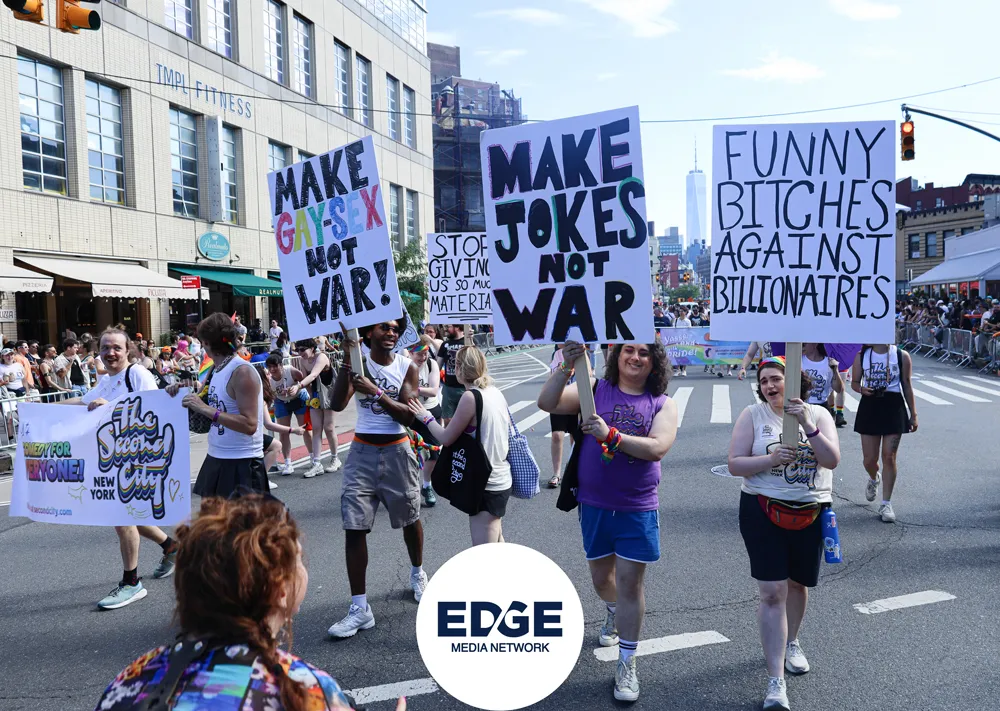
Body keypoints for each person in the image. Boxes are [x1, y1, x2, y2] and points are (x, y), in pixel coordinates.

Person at [94, 495, 408, 711]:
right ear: (280, 591)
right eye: (299, 560)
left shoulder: (131, 680)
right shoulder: (307, 690)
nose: (304, 568)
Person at [537, 340, 678, 703]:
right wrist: (567, 365)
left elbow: (657, 447)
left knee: (630, 584)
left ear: (655, 363)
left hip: (637, 505)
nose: (635, 357)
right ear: (617, 355)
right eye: (629, 350)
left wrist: (610, 435)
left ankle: (627, 662)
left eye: (644, 353)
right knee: (602, 580)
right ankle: (614, 611)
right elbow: (547, 403)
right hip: (594, 503)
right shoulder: (595, 389)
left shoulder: (662, 403)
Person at [727, 356, 840, 711]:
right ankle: (775, 682)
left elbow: (832, 460)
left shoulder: (819, 413)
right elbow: (734, 464)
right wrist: (770, 460)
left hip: (809, 511)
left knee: (797, 585)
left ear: (794, 381)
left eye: (776, 378)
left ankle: (792, 642)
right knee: (772, 592)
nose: (769, 386)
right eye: (763, 381)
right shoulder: (752, 415)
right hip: (762, 509)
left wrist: (807, 424)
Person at [63, 327, 178, 609]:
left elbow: (153, 409)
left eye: (116, 347)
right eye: (105, 348)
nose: (110, 353)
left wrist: (111, 406)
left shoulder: (136, 373)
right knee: (129, 516)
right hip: (113, 458)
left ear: (128, 350)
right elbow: (82, 401)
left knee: (122, 518)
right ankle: (172, 547)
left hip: (136, 458)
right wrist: (35, 409)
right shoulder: (107, 380)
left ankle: (131, 583)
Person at [327, 318, 427, 639]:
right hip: (361, 452)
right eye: (385, 327)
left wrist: (376, 392)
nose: (392, 333)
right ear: (368, 332)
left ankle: (417, 572)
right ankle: (360, 608)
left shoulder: (407, 367)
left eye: (395, 329)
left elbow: (408, 415)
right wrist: (347, 359)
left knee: (410, 518)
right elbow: (336, 403)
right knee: (354, 525)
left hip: (397, 450)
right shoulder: (357, 364)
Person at [410, 345, 513, 546]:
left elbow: (446, 437)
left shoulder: (470, 397)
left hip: (485, 483)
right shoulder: (494, 391)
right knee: (498, 545)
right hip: (500, 476)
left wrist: (426, 417)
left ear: (459, 367)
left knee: (484, 554)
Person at [169, 313, 267, 498]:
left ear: (206, 343)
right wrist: (180, 390)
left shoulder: (242, 372)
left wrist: (205, 409)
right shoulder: (216, 368)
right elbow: (204, 395)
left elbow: (250, 424)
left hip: (242, 462)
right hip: (217, 456)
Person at [851, 343, 918, 523]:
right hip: (870, 405)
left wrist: (913, 414)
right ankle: (874, 478)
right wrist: (861, 389)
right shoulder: (861, 356)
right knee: (869, 460)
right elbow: (854, 383)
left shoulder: (901, 355)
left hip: (893, 405)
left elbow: (907, 384)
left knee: (889, 456)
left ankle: (886, 503)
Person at [295, 338, 342, 478]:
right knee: (316, 429)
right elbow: (307, 380)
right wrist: (310, 397)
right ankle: (317, 463)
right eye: (297, 350)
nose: (300, 353)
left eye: (302, 350)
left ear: (312, 348)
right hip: (316, 394)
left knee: (329, 427)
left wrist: (298, 386)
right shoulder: (303, 360)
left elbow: (314, 374)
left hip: (328, 394)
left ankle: (335, 458)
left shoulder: (321, 357)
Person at [265, 352, 314, 476]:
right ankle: (288, 463)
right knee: (283, 432)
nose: (272, 369)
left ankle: (313, 458)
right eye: (269, 367)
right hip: (281, 402)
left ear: (281, 365)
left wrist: (296, 387)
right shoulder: (268, 379)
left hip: (299, 399)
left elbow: (306, 382)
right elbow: (268, 394)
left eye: (275, 366)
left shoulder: (291, 371)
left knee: (305, 429)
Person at [408, 336, 441, 507]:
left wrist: (411, 389)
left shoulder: (431, 364)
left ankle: (427, 485)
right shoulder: (403, 364)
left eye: (426, 353)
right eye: (419, 354)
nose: (423, 357)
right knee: (408, 454)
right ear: (410, 353)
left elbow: (434, 391)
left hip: (429, 410)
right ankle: (411, 489)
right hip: (410, 413)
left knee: (433, 454)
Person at [546, 345, 578, 488]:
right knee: (557, 435)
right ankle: (556, 473)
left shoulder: (580, 353)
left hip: (576, 399)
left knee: (575, 436)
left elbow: (588, 376)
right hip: (558, 399)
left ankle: (574, 470)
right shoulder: (556, 354)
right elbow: (552, 376)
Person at [800, 343, 843, 417]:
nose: (801, 347)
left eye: (804, 344)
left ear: (815, 344)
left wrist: (835, 370)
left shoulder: (829, 362)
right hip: (802, 405)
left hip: (822, 406)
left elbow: (838, 389)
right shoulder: (798, 361)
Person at [437, 324, 465, 423]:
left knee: (465, 419)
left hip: (465, 388)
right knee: (447, 419)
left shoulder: (468, 342)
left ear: (456, 327)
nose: (446, 329)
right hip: (448, 388)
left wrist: (471, 340)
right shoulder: (445, 344)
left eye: (448, 326)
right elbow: (438, 366)